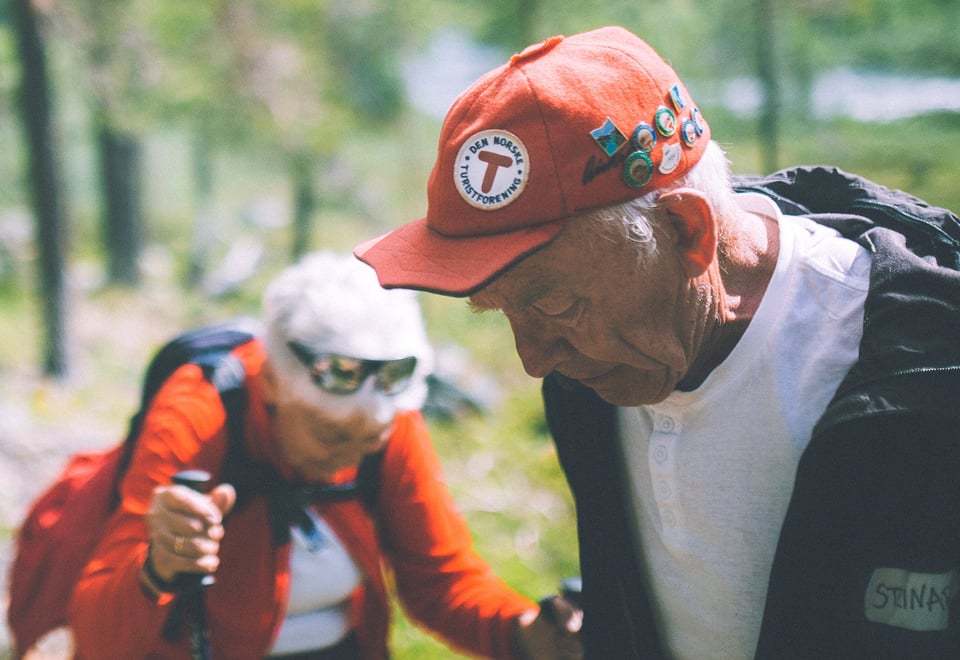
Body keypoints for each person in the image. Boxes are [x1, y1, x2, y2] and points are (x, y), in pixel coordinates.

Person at [354, 25, 960, 659]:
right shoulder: (597, 369)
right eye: (498, 310)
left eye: (554, 302)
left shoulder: (928, 372)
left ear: (687, 233)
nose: (534, 361)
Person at [68, 251, 582, 659]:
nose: (353, 458)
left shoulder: (383, 409)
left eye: (370, 440)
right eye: (331, 437)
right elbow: (96, 642)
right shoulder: (197, 415)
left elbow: (440, 580)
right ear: (270, 382)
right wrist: (157, 568)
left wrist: (528, 633)